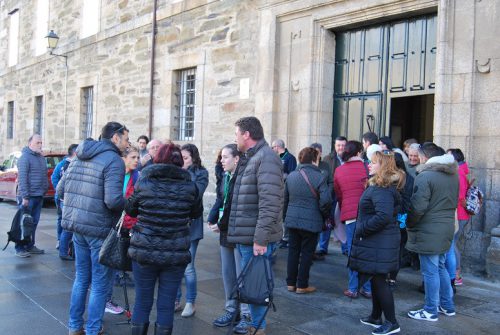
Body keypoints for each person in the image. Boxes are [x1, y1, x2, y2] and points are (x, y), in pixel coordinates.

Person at [57, 122, 129, 335]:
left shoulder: (79, 155)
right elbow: (113, 201)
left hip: (78, 227)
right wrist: (130, 203)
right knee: (99, 283)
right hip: (98, 229)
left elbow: (61, 190)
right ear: (115, 138)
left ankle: (74, 326)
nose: (127, 143)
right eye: (125, 138)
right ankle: (93, 329)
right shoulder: (114, 160)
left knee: (82, 278)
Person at [125, 143, 202, 335]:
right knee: (166, 304)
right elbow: (196, 212)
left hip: (144, 249)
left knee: (142, 301)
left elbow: (130, 209)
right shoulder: (189, 186)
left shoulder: (144, 182)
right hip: (175, 252)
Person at [228, 116, 283, 335]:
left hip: (255, 238)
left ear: (246, 134)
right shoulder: (251, 156)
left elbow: (270, 204)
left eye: (236, 133)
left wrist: (260, 239)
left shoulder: (266, 158)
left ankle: (257, 328)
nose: (235, 138)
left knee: (257, 286)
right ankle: (255, 325)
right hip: (247, 235)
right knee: (252, 285)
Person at [349, 150, 405, 335]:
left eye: (373, 162)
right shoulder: (379, 185)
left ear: (384, 166)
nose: (369, 164)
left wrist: (362, 228)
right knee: (375, 278)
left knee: (380, 281)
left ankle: (392, 322)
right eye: (369, 161)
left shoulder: (382, 188)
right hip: (378, 241)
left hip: (380, 242)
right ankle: (375, 316)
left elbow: (383, 216)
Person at [407, 142, 458, 322]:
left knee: (430, 271)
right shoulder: (452, 174)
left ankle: (430, 310)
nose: (418, 159)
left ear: (426, 157)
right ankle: (447, 305)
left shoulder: (426, 175)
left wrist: (409, 223)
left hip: (429, 229)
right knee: (441, 267)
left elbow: (417, 207)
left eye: (420, 156)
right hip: (446, 228)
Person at [208, 144, 251, 334]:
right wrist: (212, 217)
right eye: (221, 157)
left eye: (225, 157)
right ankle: (231, 308)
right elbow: (221, 200)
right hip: (226, 231)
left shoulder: (243, 177)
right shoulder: (225, 176)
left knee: (243, 275)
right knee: (228, 273)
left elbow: (235, 206)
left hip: (239, 231)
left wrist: (221, 224)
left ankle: (246, 315)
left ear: (236, 159)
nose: (221, 160)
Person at [285, 147, 332, 293]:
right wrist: (324, 215)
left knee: (293, 251)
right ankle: (302, 285)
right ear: (314, 159)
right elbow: (326, 201)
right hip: (311, 221)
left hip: (292, 220)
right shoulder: (320, 176)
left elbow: (284, 200)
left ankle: (290, 283)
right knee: (306, 253)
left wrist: (285, 217)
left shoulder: (291, 176)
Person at [105, 146, 140, 315]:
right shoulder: (116, 175)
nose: (136, 160)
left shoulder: (137, 176)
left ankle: (108, 295)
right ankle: (106, 298)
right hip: (114, 223)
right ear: (124, 158)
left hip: (130, 224)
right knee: (109, 261)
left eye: (137, 157)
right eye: (133, 157)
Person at [334, 141, 372, 299]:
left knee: (352, 251)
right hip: (368, 216)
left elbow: (339, 194)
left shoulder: (339, 170)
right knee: (368, 251)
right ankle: (368, 288)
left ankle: (353, 287)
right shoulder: (367, 168)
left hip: (350, 216)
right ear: (359, 152)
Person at [176, 143, 209, 317]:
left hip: (191, 224)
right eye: (180, 158)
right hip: (176, 224)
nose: (182, 161)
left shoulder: (201, 173)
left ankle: (191, 301)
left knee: (188, 265)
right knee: (174, 263)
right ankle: (175, 299)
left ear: (194, 158)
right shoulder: (176, 170)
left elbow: (196, 195)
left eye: (186, 158)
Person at [15, 134, 48, 258]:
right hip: (28, 197)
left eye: (41, 142)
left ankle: (29, 245)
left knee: (33, 223)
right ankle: (19, 248)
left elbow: (44, 176)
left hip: (38, 195)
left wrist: (44, 190)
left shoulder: (40, 158)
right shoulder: (24, 158)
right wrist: (25, 197)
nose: (40, 145)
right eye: (37, 143)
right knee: (23, 223)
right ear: (30, 144)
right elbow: (22, 179)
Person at [317, 136, 347, 258]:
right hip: (332, 194)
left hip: (345, 195)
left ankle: (345, 247)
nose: (341, 148)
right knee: (328, 220)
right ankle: (323, 247)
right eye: (338, 145)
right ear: (335, 146)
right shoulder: (327, 159)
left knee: (343, 221)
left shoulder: (350, 158)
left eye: (343, 145)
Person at [447, 148, 470, 286]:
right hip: (460, 213)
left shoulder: (459, 173)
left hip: (459, 213)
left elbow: (459, 196)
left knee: (452, 245)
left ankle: (456, 274)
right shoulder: (461, 171)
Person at [52, 143, 79, 261]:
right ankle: (63, 250)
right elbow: (55, 179)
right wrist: (61, 195)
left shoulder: (68, 164)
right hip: (65, 200)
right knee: (66, 226)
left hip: (65, 199)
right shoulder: (65, 165)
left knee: (65, 225)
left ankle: (64, 248)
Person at [272, 139, 297, 249]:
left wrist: (283, 176)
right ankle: (278, 236)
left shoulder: (290, 158)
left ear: (277, 147)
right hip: (274, 190)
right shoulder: (274, 157)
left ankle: (285, 237)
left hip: (285, 190)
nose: (272, 149)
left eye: (273, 147)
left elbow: (292, 174)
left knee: (284, 214)